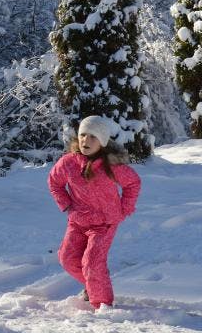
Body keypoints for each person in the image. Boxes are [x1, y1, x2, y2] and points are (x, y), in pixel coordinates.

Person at [47, 115, 141, 310]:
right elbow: (54, 183)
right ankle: (94, 286)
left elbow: (133, 183)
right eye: (83, 135)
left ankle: (102, 305)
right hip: (78, 221)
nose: (85, 141)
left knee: (92, 263)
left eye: (93, 137)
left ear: (103, 142)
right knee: (67, 258)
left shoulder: (111, 165)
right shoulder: (68, 163)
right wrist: (66, 204)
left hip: (104, 223)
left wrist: (124, 209)